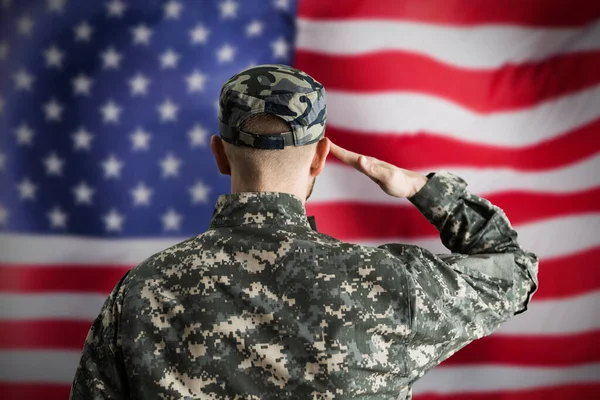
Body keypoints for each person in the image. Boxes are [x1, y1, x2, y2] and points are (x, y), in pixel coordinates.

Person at [70, 64, 538, 400]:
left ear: (218, 153)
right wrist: (423, 189)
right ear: (320, 157)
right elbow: (513, 266)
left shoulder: (143, 290)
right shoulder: (390, 284)